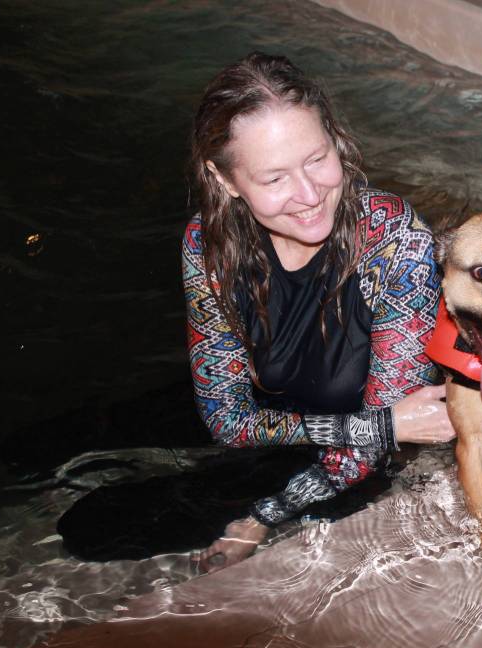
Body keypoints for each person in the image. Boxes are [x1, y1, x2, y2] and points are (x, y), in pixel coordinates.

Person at [183, 52, 454, 572]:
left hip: (359, 466)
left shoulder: (394, 241)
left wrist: (264, 516)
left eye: (317, 159)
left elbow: (389, 440)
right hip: (295, 432)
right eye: (274, 179)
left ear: (336, 139)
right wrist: (380, 426)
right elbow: (227, 421)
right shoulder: (207, 243)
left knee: (110, 533)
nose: (309, 196)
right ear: (225, 181)